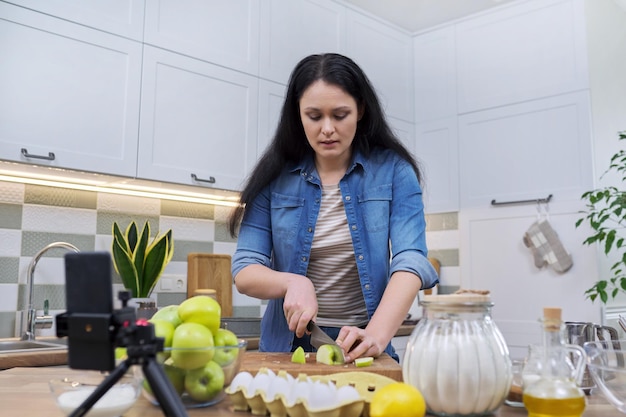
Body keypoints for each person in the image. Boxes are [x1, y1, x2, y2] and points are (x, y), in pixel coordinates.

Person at [228, 53, 438, 363]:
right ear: (298, 115)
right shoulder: (274, 178)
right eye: (314, 116)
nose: (327, 128)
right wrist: (292, 281)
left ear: (361, 110)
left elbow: (411, 260)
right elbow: (245, 269)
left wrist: (376, 336)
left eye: (340, 115)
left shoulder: (395, 172)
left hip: (365, 343)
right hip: (287, 348)